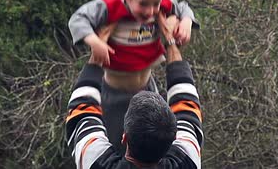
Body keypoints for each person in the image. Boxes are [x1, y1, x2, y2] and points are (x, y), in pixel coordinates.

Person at [68, 0, 199, 152]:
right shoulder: (108, 6)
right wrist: (94, 41)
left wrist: (186, 21)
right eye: (143, 4)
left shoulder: (162, 4)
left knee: (155, 146)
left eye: (156, 4)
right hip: (113, 93)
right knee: (114, 148)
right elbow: (77, 19)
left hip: (147, 87)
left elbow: (182, 7)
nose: (151, 11)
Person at [66, 12, 203, 168]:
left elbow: (81, 115)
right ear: (173, 139)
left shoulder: (188, 160)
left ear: (124, 137)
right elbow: (187, 105)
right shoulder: (187, 163)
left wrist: (98, 50)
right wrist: (171, 41)